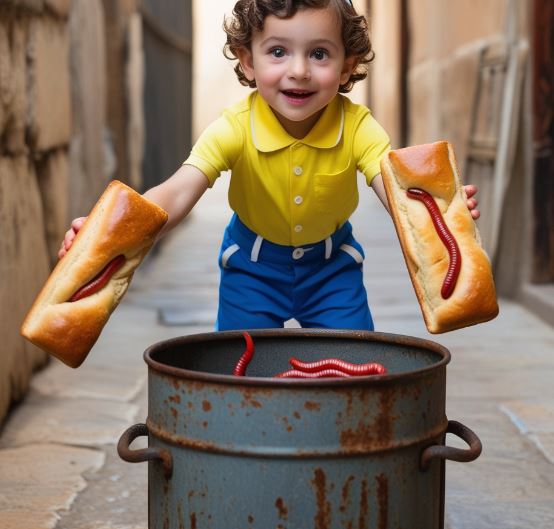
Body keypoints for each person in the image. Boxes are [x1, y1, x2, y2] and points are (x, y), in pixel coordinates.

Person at [59, 0, 479, 331]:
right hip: (251, 271)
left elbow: (397, 191)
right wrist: (107, 230)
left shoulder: (357, 127)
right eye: (278, 51)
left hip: (333, 271)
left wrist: (443, 214)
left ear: (348, 65)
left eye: (319, 54)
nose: (298, 71)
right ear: (247, 60)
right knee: (241, 376)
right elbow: (176, 191)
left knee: (356, 364)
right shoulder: (234, 128)